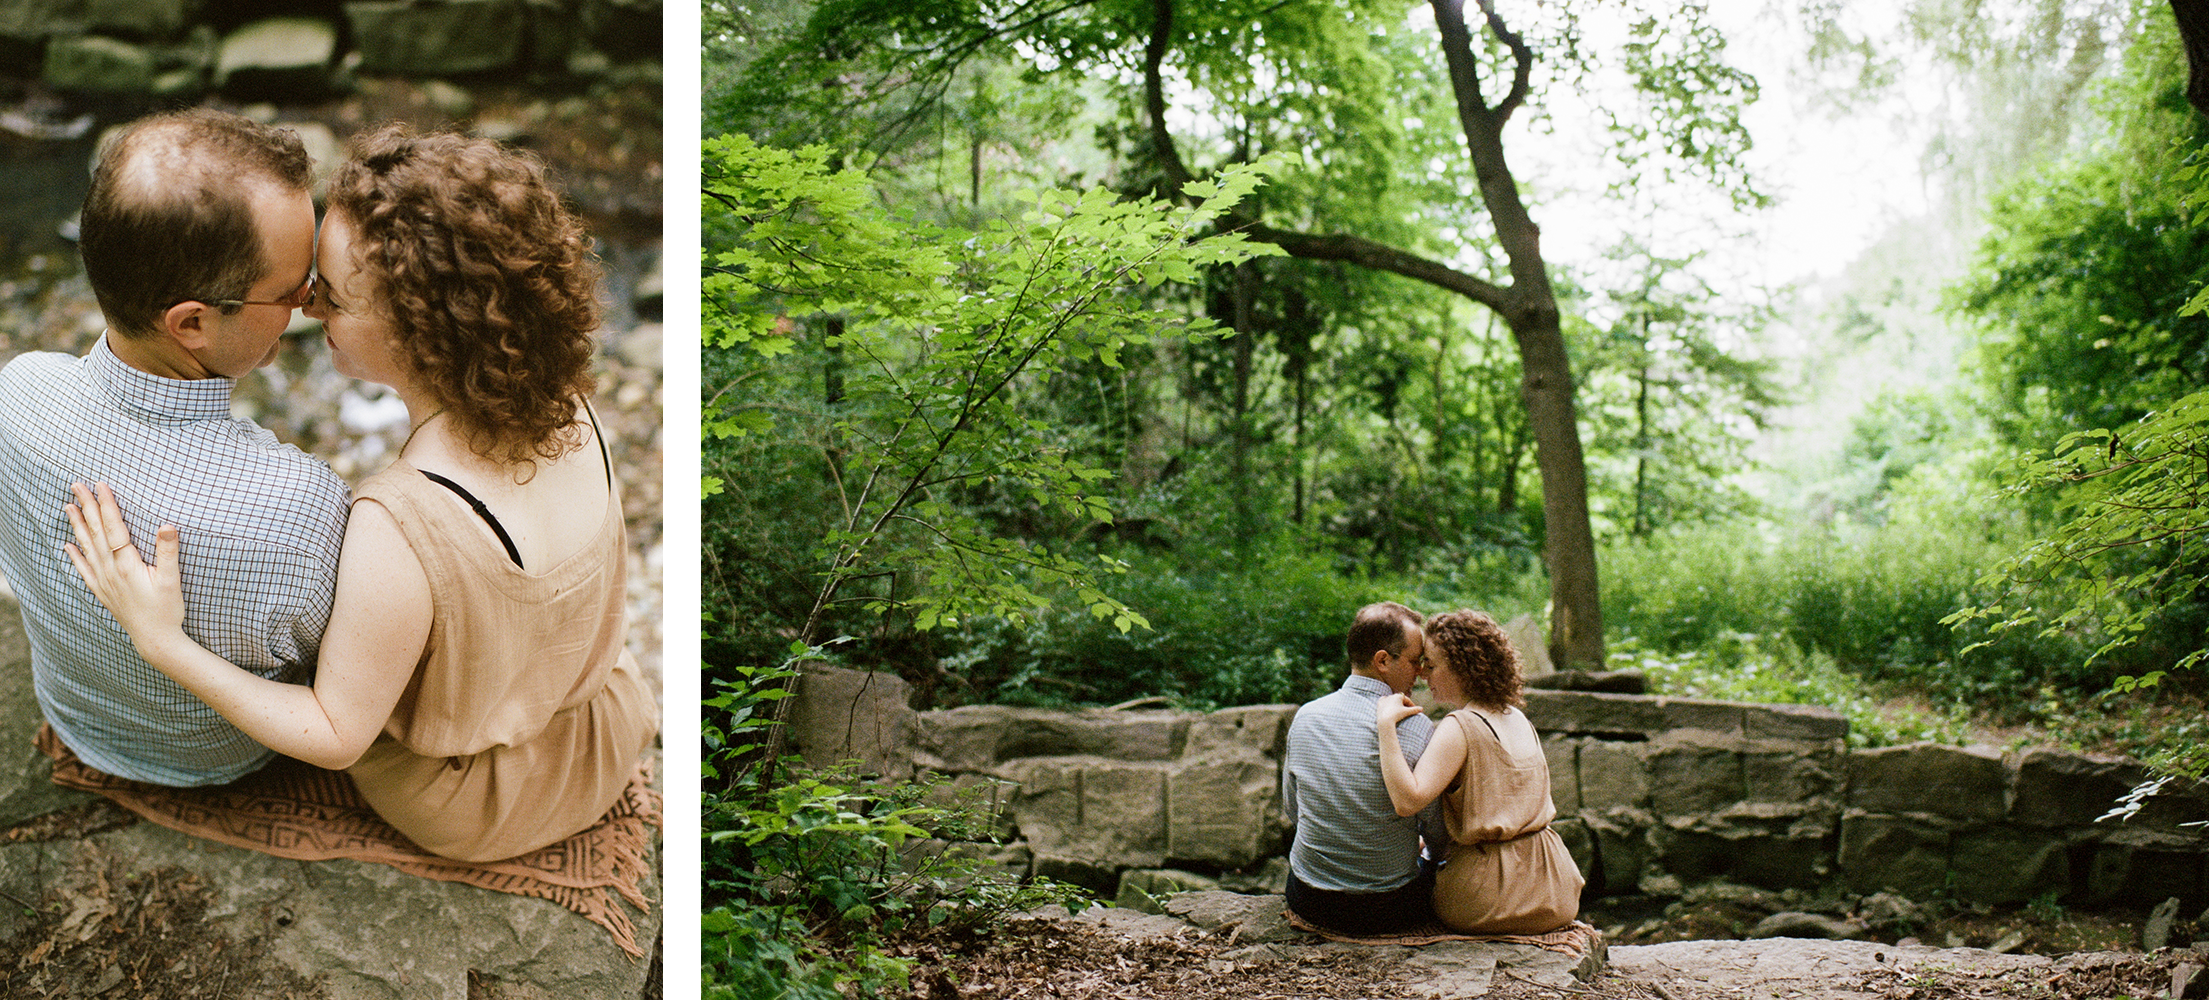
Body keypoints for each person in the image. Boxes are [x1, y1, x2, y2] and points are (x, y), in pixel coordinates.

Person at [62, 123, 657, 863]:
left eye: (334, 296)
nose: (308, 311)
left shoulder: (398, 522)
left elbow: (336, 735)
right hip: (601, 730)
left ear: (421, 331)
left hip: (478, 803)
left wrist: (160, 639)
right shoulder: (569, 402)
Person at [0, 109, 348, 787]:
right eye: (289, 289)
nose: (312, 302)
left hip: (75, 717)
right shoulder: (300, 509)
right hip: (217, 757)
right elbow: (337, 672)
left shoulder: (16, 391)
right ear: (190, 322)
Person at [1376, 610, 1583, 935]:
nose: (1422, 674)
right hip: (1554, 890)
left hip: (1489, 899)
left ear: (1462, 668)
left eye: (1430, 664)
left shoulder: (1460, 726)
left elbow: (1407, 802)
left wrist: (1385, 727)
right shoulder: (1516, 717)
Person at [1280, 600, 1443, 934]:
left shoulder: (1306, 717)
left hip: (1309, 900)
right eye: (1414, 661)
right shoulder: (1417, 728)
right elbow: (1438, 835)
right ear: (1383, 660)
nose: (1421, 673)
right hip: (1389, 908)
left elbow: (1294, 810)